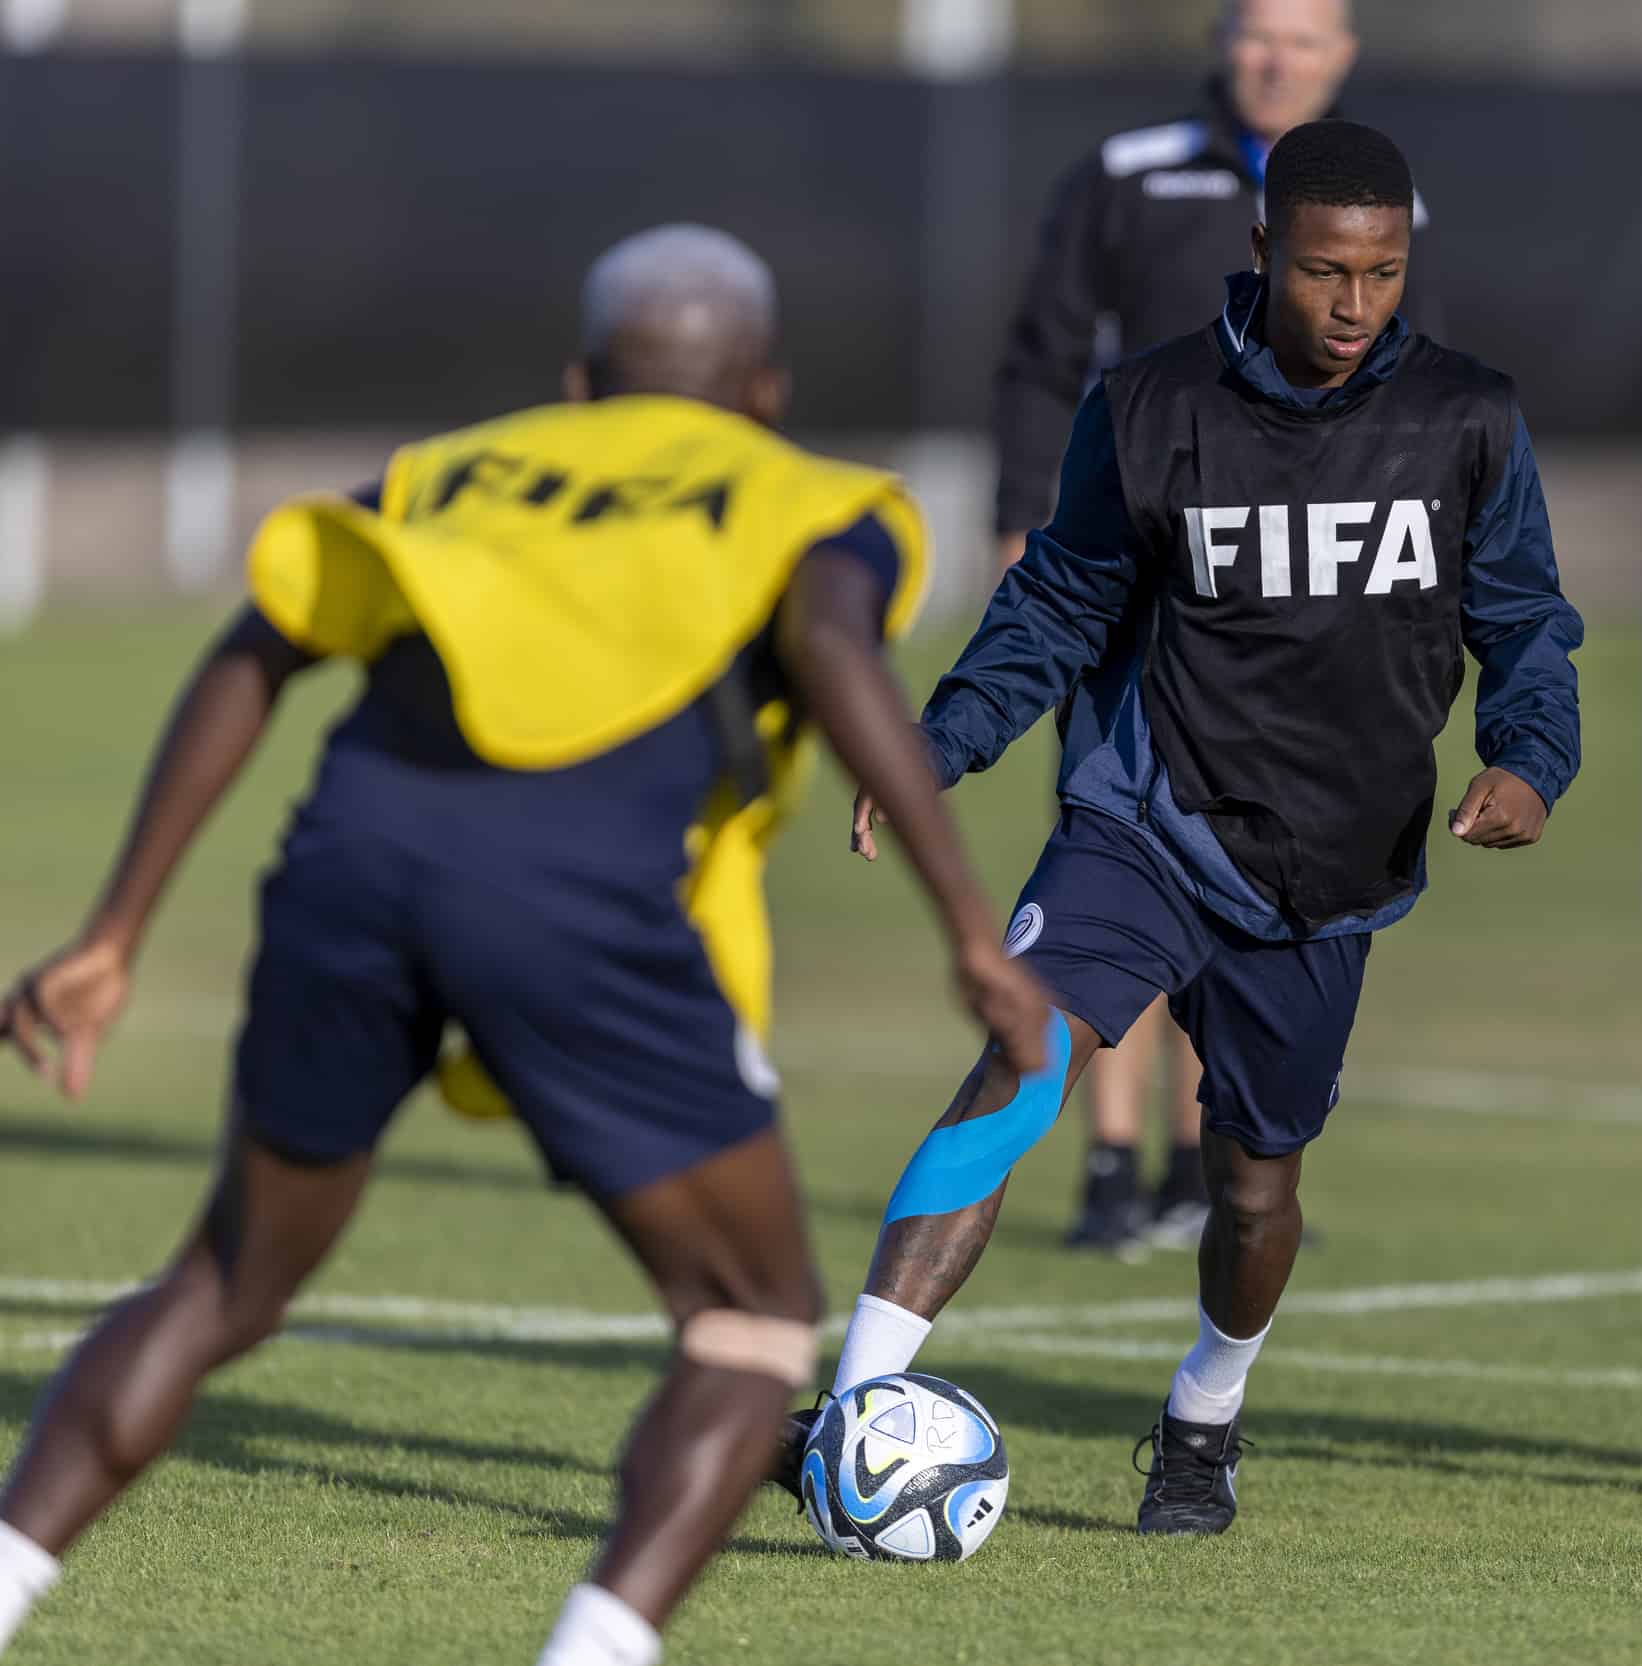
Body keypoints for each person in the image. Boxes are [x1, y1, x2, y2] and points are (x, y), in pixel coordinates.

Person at [0, 225, 1049, 1664]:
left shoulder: (453, 469)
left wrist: (113, 930)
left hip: (348, 855)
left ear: (577, 381)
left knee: (222, 1281)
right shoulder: (811, 496)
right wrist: (972, 928)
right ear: (766, 388)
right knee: (751, 1323)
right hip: (572, 890)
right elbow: (831, 641)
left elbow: (261, 644)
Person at [827, 120, 1582, 1535]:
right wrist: (939, 744)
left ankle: (1206, 1410)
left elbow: (1526, 621)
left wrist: (1531, 759)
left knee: (1253, 1195)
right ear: (1259, 251)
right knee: (1019, 1046)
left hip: (1327, 868)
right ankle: (854, 1407)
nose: (1354, 306)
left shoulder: (1467, 417)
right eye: (1322, 273)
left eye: (1382, 272)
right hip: (1144, 812)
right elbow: (1061, 597)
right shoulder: (1151, 404)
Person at [991, 0, 1406, 1255]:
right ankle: (1110, 1165)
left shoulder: (1374, 197)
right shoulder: (1128, 175)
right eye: (1258, 36)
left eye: (1305, 40)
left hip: (1288, 592)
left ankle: (1201, 1160)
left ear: (1343, 57)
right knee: (1110, 841)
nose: (1277, 60)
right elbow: (1041, 356)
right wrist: (1024, 524)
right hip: (1133, 567)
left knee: (1244, 853)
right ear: (1226, 45)